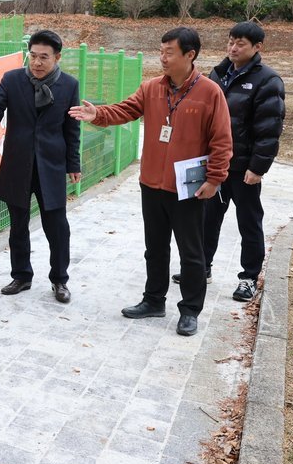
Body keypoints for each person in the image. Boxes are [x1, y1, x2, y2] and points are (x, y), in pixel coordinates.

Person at [68, 27, 232, 336]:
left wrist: (215, 179)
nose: (163, 58)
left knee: (191, 253)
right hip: (152, 184)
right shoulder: (152, 88)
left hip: (188, 189)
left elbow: (222, 141)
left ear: (190, 55)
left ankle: (190, 310)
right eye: (161, 52)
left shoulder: (210, 92)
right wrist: (98, 113)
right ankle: (154, 300)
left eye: (169, 53)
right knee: (155, 248)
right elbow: (125, 109)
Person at [172, 21, 285, 302]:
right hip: (214, 166)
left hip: (244, 168)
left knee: (249, 222)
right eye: (231, 42)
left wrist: (257, 168)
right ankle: (202, 268)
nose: (233, 48)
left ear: (257, 47)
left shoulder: (267, 81)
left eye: (240, 44)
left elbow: (269, 129)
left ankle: (249, 278)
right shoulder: (218, 74)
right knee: (207, 220)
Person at [0, 29, 81, 304]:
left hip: (51, 167)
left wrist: (73, 164)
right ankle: (21, 276)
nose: (37, 62)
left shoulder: (69, 85)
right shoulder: (13, 80)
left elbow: (72, 129)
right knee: (18, 224)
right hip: (18, 165)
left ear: (57, 58)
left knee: (57, 227)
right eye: (33, 56)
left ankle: (60, 279)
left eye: (44, 57)